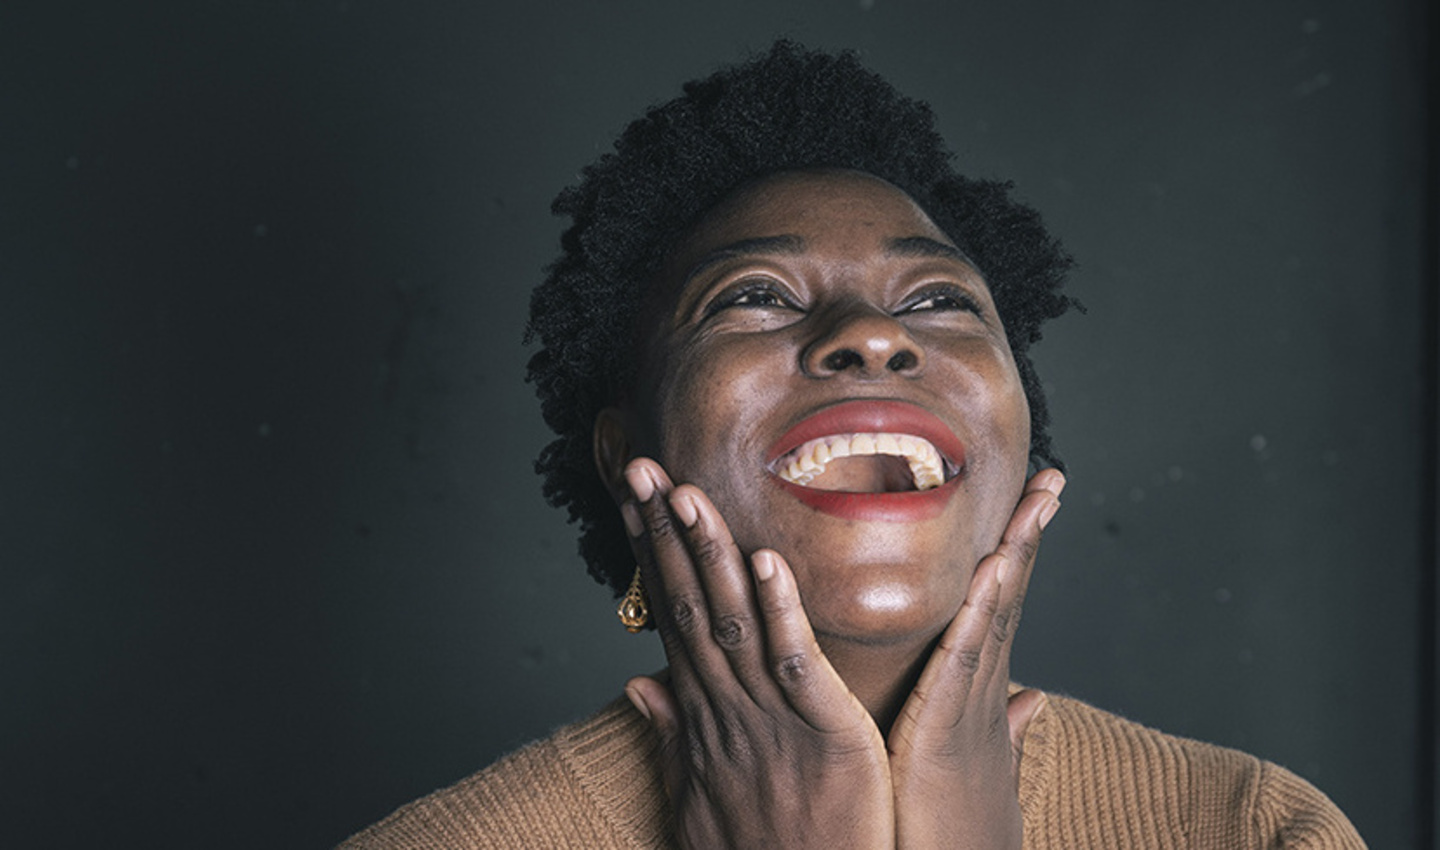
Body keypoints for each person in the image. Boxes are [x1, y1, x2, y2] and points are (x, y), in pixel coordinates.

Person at [341, 41, 1364, 849]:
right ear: (623, 457)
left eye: (936, 299)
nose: (874, 334)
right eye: (754, 297)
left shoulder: (1256, 827)